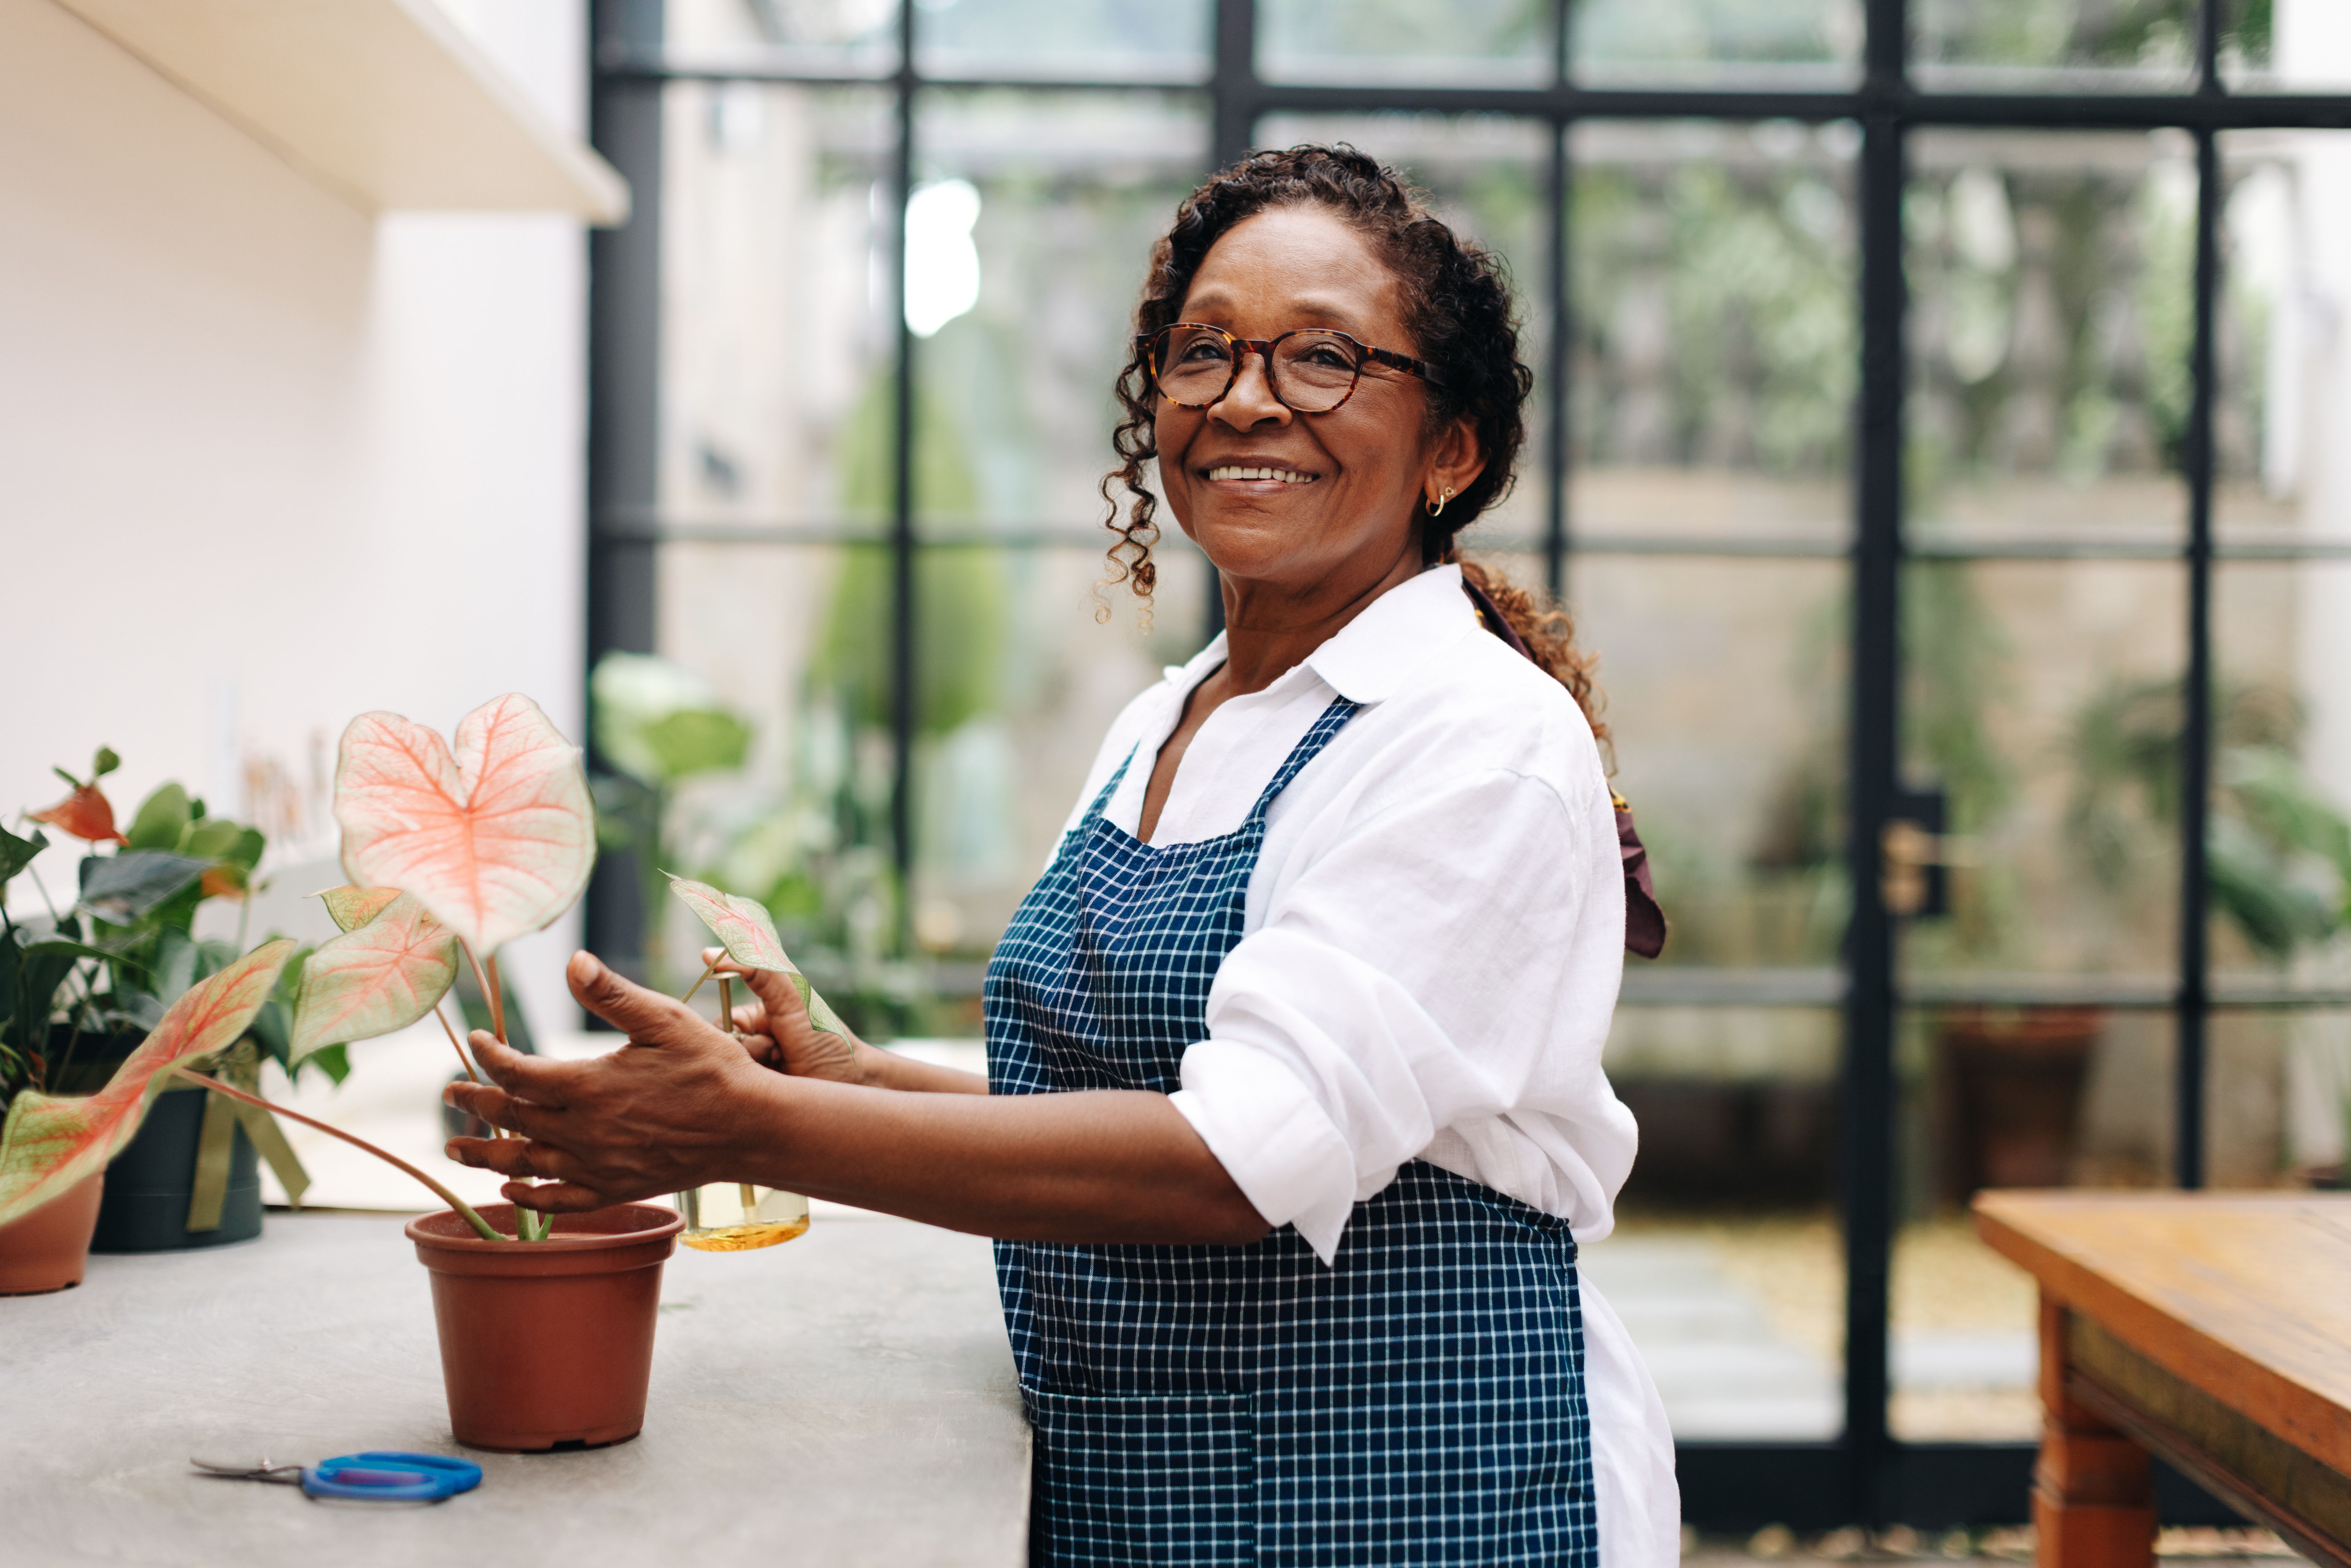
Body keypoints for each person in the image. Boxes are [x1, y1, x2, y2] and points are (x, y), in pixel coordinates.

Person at [447, 144, 1678, 1566]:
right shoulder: (1173, 718)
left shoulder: (1476, 742)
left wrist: (747, 1127)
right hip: (1149, 1480)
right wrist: (852, 1078)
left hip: (1406, 1497)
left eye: (1326, 358)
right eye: (1203, 351)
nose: (1247, 396)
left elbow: (1230, 1160)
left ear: (1451, 450)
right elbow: (1133, 1096)